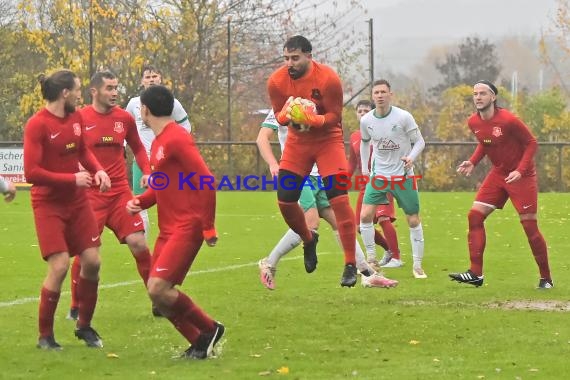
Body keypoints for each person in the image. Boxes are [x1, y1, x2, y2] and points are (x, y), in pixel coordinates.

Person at [126, 85, 224, 359]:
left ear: (144, 110)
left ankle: (210, 328)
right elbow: (162, 185)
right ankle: (199, 342)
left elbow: (206, 181)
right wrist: (141, 202)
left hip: (187, 226)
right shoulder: (158, 141)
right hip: (168, 228)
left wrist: (208, 226)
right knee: (155, 293)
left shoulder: (177, 138)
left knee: (159, 288)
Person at [256, 109, 398, 289]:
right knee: (311, 222)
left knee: (341, 224)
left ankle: (367, 273)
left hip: (321, 175)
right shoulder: (287, 104)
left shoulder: (322, 102)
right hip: (297, 173)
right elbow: (262, 138)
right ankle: (269, 264)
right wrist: (273, 163)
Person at [23, 69, 111, 349]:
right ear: (64, 93)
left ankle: (83, 326)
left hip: (77, 201)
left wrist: (99, 171)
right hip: (48, 203)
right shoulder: (37, 125)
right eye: (76, 89)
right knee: (60, 266)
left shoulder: (75, 118)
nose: (79, 93)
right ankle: (45, 336)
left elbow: (83, 151)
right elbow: (31, 172)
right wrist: (71, 178)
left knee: (93, 262)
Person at [267, 35, 358, 287]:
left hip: (328, 141)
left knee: (338, 196)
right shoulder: (276, 81)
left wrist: (313, 118)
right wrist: (286, 115)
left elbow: (335, 116)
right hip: (298, 144)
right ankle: (309, 239)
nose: (290, 63)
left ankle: (350, 263)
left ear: (309, 55)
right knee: (285, 200)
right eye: (286, 58)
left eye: (295, 58)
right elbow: (278, 115)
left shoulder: (328, 79)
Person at [65, 71, 153, 321]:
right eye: (109, 88)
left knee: (139, 242)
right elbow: (67, 149)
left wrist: (147, 171)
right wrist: (77, 168)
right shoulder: (79, 117)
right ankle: (75, 304)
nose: (115, 92)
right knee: (87, 251)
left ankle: (158, 296)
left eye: (116, 87)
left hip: (119, 193)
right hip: (90, 196)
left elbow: (137, 147)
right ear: (94, 91)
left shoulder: (124, 118)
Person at [450, 80, 553, 289]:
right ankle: (476, 274)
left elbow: (532, 143)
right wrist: (472, 161)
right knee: (475, 215)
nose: (478, 97)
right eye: (475, 93)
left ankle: (546, 278)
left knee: (529, 226)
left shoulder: (508, 120)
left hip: (522, 176)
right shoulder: (473, 122)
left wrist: (520, 171)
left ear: (493, 97)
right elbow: (485, 143)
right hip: (498, 174)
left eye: (483, 93)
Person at [359, 79, 427, 279]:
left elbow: (420, 142)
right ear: (373, 96)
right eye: (376, 92)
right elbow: (364, 143)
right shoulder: (366, 121)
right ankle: (371, 259)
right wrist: (365, 169)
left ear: (391, 94)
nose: (379, 95)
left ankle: (417, 265)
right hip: (378, 176)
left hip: (402, 176)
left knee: (413, 219)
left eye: (383, 92)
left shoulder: (403, 117)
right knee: (365, 216)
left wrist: (411, 158)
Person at [125, 64, 192, 237]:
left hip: (165, 161)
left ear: (160, 78)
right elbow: (125, 128)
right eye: (147, 77)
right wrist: (122, 148)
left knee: (169, 202)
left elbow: (185, 125)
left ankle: (175, 239)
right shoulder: (134, 103)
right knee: (140, 203)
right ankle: (144, 247)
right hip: (142, 162)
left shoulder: (172, 103)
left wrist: (177, 145)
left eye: (154, 76)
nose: (151, 79)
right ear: (142, 81)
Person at [347, 100, 402, 269]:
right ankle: (388, 249)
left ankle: (397, 258)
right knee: (359, 226)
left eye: (366, 110)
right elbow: (352, 163)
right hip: (365, 185)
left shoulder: (382, 132)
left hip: (383, 180)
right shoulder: (355, 137)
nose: (362, 113)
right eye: (359, 111)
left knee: (383, 218)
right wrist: (343, 181)